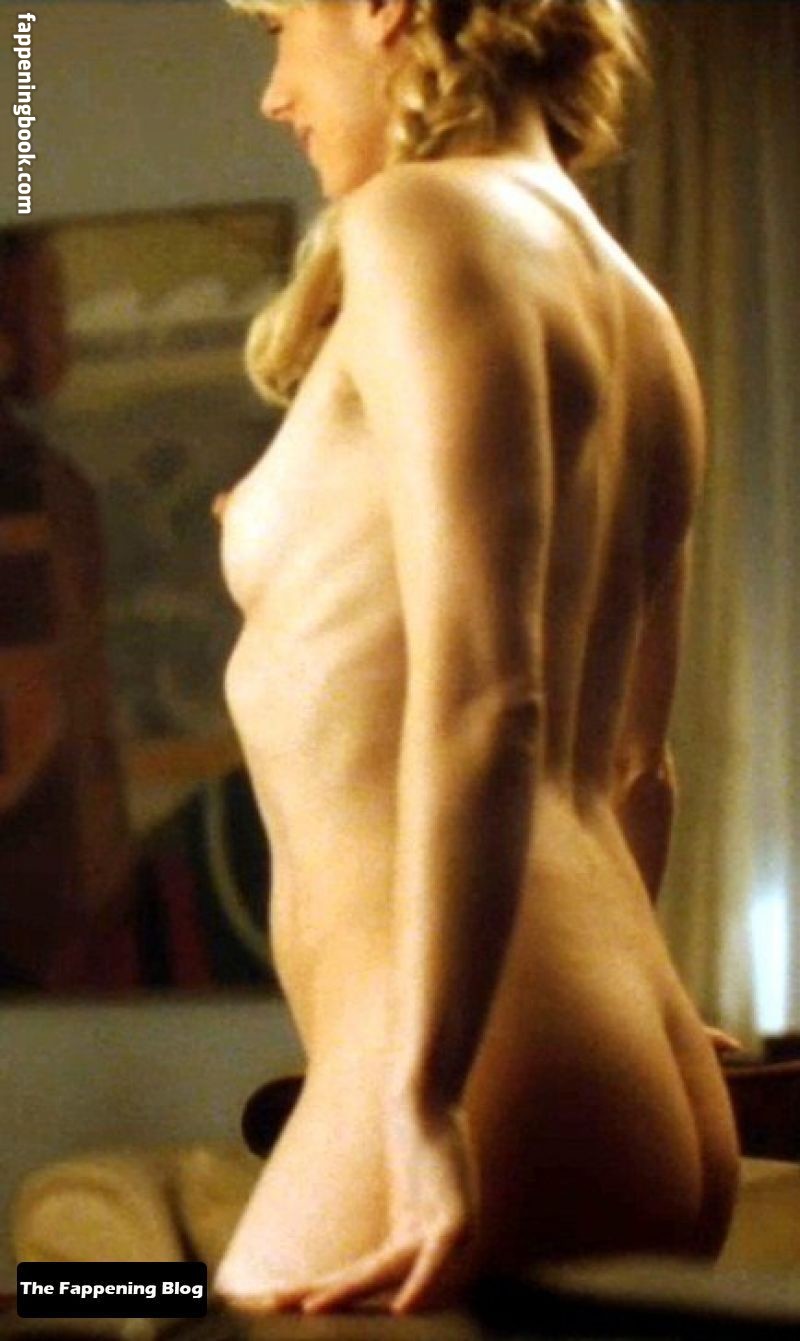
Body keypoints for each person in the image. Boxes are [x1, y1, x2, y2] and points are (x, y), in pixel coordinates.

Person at [214, 0, 740, 1316]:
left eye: (279, 27)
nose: (274, 93)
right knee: (106, 1287)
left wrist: (426, 1096)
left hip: (479, 1065)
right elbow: (638, 766)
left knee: (124, 1307)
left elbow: (487, 696)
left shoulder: (418, 221)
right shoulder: (640, 314)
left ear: (384, 10)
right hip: (623, 1044)